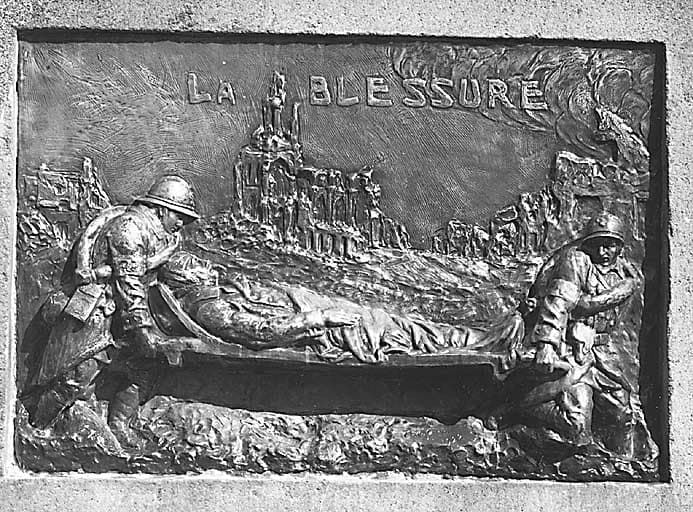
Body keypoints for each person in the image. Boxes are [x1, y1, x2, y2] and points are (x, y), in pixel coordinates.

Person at [24, 175, 200, 445]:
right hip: (97, 315)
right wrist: (142, 332)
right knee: (74, 380)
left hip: (126, 317)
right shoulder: (129, 228)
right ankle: (38, 430)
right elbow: (129, 285)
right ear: (161, 209)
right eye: (180, 216)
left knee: (144, 370)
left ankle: (119, 426)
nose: (181, 224)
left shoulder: (163, 236)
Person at [496, 212, 657, 459]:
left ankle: (623, 465)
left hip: (602, 357)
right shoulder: (576, 260)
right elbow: (559, 302)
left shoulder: (626, 274)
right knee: (576, 425)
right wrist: (547, 345)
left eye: (610, 245)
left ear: (620, 246)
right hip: (570, 352)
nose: (603, 251)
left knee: (622, 415)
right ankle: (517, 413)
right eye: (597, 244)